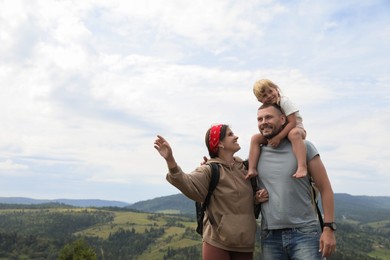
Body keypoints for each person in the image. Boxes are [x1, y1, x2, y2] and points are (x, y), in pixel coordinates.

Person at [154, 124, 268, 260]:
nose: (236, 136)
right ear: (220, 143)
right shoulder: (210, 169)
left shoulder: (246, 168)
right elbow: (187, 183)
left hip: (244, 242)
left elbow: (241, 201)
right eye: (230, 134)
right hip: (217, 241)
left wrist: (256, 199)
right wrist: (170, 159)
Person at [254, 103, 336, 259]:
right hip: (270, 235)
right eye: (259, 119)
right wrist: (209, 165)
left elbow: (326, 189)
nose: (263, 122)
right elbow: (236, 172)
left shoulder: (304, 148)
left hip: (304, 233)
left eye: (269, 117)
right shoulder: (257, 153)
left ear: (283, 119)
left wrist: (329, 228)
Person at [247, 79, 307, 180]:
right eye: (265, 96)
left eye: (270, 91)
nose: (269, 96)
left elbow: (292, 122)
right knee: (255, 138)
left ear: (276, 89)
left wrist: (278, 137)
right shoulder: (269, 107)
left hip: (296, 128)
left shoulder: (284, 101)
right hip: (280, 131)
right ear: (260, 100)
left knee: (293, 134)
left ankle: (302, 166)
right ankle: (252, 169)